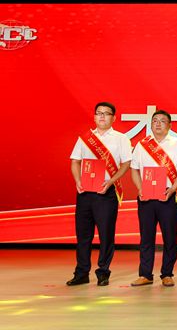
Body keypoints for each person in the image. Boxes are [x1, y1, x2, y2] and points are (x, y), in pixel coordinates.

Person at [67, 102, 132, 286]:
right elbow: (75, 161)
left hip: (106, 192)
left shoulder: (121, 138)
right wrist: (78, 181)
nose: (102, 116)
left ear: (114, 118)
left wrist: (111, 181)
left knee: (106, 235)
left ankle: (103, 272)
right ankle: (81, 273)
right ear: (94, 116)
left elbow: (126, 164)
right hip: (85, 192)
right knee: (83, 235)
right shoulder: (85, 138)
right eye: (98, 113)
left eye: (106, 113)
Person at [129, 110, 177, 287]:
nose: (157, 124)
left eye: (162, 121)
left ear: (170, 125)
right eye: (155, 120)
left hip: (168, 195)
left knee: (169, 237)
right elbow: (134, 169)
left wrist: (173, 189)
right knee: (146, 237)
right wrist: (140, 188)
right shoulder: (142, 145)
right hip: (146, 196)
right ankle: (145, 274)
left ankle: (167, 273)